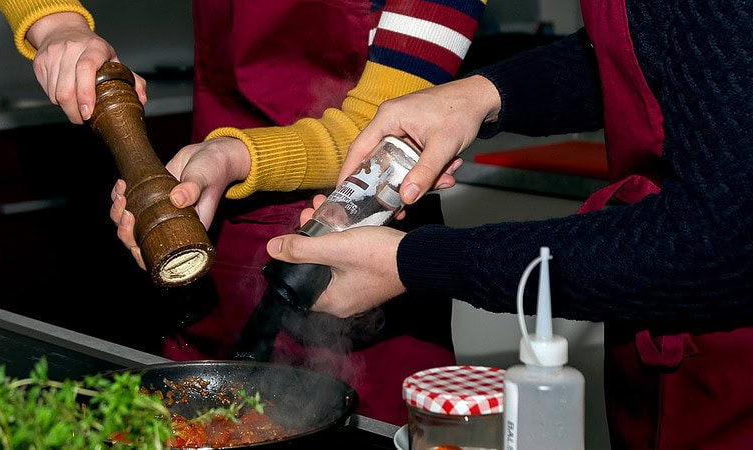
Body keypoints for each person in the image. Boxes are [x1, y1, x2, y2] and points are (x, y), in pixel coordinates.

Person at [266, 0, 753, 448]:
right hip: (654, 340)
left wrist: (411, 262)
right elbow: (637, 54)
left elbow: (716, 243)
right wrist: (481, 95)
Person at [0, 0, 488, 425]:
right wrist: (56, 25)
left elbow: (387, 126)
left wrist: (232, 156)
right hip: (217, 240)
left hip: (371, 243)